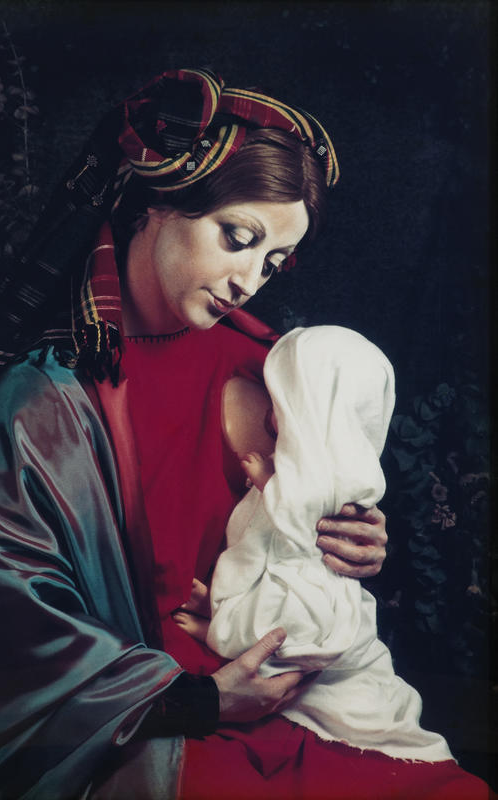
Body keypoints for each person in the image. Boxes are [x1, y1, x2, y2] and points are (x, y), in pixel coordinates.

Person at [0, 69, 493, 799]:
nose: (249, 279)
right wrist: (200, 700)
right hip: (156, 727)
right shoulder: (44, 406)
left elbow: (300, 539)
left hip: (302, 703)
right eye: (238, 238)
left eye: (272, 261)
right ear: (155, 204)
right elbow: (3, 628)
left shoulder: (273, 370)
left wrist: (349, 536)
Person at [175, 325, 452, 763]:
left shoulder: (329, 471)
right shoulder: (317, 455)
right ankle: (221, 617)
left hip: (301, 581)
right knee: (254, 596)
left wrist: (267, 481)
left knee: (274, 627)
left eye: (283, 404)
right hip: (278, 564)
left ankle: (219, 632)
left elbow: (305, 518)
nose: (272, 415)